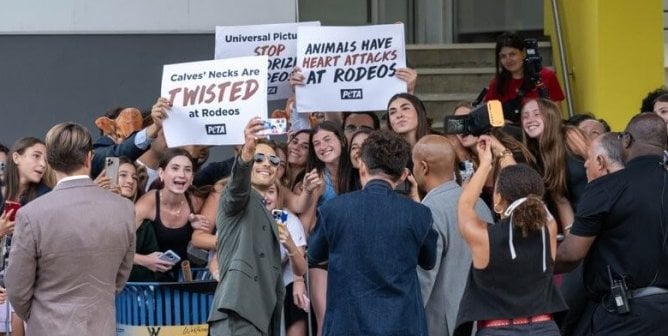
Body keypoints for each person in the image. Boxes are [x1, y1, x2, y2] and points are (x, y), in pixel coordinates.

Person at [5, 122, 135, 335]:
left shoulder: (32, 214)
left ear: (50, 161)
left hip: (48, 326)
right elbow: (120, 277)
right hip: (100, 326)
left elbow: (17, 287)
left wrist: (41, 314)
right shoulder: (124, 209)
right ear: (88, 158)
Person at [308, 130, 438, 336]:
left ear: (362, 167)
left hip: (346, 327)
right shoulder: (418, 214)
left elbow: (314, 255)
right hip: (403, 327)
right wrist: (415, 201)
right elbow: (429, 260)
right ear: (403, 175)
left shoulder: (333, 210)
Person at [556, 113, 668, 335]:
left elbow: (572, 254)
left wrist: (537, 264)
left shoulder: (606, 187)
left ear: (626, 140)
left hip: (627, 316)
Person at [455, 136, 567, 335]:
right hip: (546, 329)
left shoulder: (483, 237)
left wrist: (485, 164)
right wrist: (504, 154)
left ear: (498, 198)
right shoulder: (549, 228)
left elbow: (464, 205)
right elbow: (525, 187)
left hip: (497, 330)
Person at [208, 118, 285, 336]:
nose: (266, 164)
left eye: (273, 160)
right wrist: (246, 155)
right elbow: (236, 190)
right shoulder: (237, 198)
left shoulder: (266, 211)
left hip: (260, 317)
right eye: (259, 158)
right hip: (238, 313)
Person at [412, 135, 493, 336]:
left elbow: (424, 277)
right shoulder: (480, 204)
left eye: (413, 165)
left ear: (423, 167)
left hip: (444, 324)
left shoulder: (429, 211)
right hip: (482, 319)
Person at [134, 148, 209, 281]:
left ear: (192, 178)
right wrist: (145, 260)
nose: (182, 174)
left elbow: (206, 249)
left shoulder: (195, 202)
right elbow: (115, 247)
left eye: (187, 170)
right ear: (161, 173)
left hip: (184, 284)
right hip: (150, 285)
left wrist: (195, 229)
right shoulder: (148, 203)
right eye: (175, 168)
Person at [485, 32, 565, 123]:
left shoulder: (546, 76)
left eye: (512, 54)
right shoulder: (496, 84)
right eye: (503, 56)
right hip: (510, 135)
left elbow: (557, 115)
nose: (508, 60)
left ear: (523, 53)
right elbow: (494, 120)